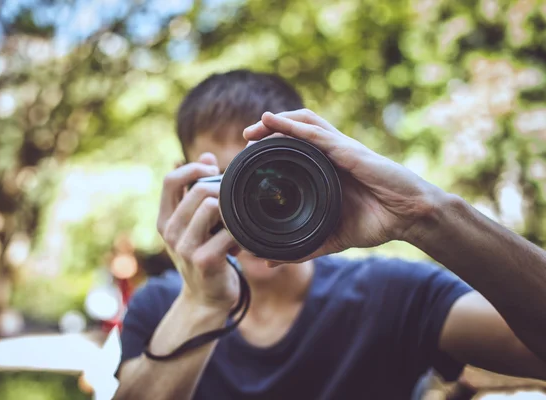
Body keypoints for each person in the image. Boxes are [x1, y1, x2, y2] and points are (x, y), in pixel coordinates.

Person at [114, 70, 546, 400]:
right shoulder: (162, 307)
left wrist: (424, 214)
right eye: (228, 180)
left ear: (313, 166)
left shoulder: (391, 295)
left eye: (268, 172)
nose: (251, 198)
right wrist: (202, 304)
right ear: (187, 183)